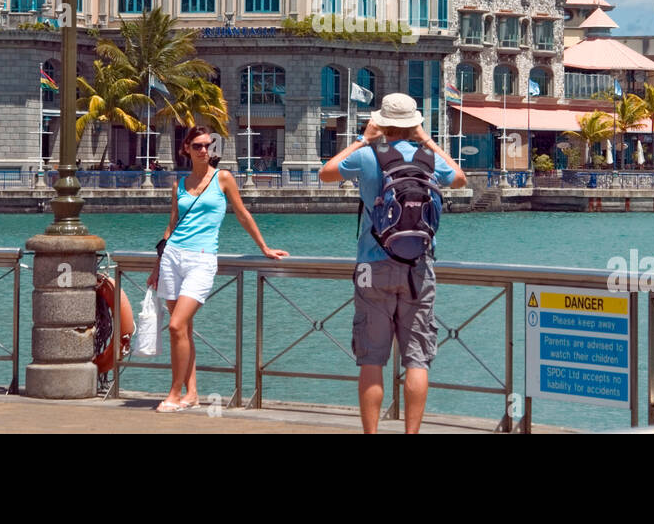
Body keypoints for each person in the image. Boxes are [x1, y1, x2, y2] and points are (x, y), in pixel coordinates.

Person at [319, 92, 467, 434]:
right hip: (419, 267)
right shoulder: (429, 158)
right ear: (414, 124)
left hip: (373, 265)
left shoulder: (369, 155)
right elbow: (460, 178)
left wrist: (361, 139)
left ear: (381, 123)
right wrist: (428, 140)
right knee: (417, 358)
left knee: (372, 359)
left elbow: (326, 172)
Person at [149, 125, 287, 411]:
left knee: (176, 325)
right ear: (185, 148)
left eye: (207, 145)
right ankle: (192, 394)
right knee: (183, 329)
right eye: (197, 146)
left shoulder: (223, 179)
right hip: (173, 256)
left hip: (201, 258)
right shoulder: (180, 184)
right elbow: (171, 226)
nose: (203, 150)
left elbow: (242, 213)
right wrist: (157, 265)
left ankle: (174, 394)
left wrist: (264, 247)